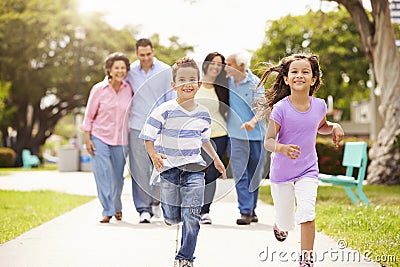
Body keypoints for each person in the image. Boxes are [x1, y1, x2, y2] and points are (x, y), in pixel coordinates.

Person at [259, 53, 344, 267]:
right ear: (286, 79)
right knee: (286, 220)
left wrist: (334, 126)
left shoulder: (319, 105)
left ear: (313, 79)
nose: (299, 75)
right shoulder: (280, 109)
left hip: (308, 169)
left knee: (307, 211)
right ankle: (280, 225)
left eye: (305, 71)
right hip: (282, 173)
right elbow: (268, 141)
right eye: (294, 72)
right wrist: (282, 148)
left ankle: (306, 259)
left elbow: (321, 126)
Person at [140, 57, 226, 267]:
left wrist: (216, 159)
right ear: (173, 85)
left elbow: (204, 140)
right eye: (182, 79)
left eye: (192, 79)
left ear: (198, 84)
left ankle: (185, 257)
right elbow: (148, 135)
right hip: (169, 170)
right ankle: (170, 215)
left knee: (192, 216)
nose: (187, 83)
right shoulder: (164, 110)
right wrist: (153, 155)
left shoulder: (203, 113)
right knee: (171, 217)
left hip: (195, 169)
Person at [126, 38, 176, 223]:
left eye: (148, 54)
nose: (146, 58)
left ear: (153, 51)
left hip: (159, 128)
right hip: (137, 126)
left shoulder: (165, 70)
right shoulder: (130, 71)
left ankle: (157, 202)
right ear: (137, 54)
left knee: (160, 167)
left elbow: (171, 99)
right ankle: (143, 209)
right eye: (142, 55)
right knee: (139, 170)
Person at [81, 52, 132, 223]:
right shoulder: (98, 89)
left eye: (123, 68)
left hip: (121, 139)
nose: (120, 71)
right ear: (109, 70)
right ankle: (107, 210)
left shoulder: (128, 89)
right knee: (102, 173)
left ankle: (117, 206)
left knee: (117, 177)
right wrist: (87, 138)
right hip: (99, 137)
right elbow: (89, 116)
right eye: (116, 68)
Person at [225, 52, 267, 225]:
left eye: (229, 63)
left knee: (254, 176)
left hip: (256, 136)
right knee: (241, 174)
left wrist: (253, 121)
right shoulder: (226, 82)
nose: (225, 67)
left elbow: (262, 108)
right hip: (235, 135)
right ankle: (245, 211)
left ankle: (251, 207)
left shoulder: (255, 83)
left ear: (241, 66)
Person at [195, 52, 229, 224]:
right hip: (196, 137)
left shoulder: (223, 88)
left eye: (220, 64)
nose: (216, 67)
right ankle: (192, 208)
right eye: (213, 63)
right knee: (196, 173)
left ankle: (205, 211)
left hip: (219, 135)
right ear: (206, 64)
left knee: (212, 173)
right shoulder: (195, 85)